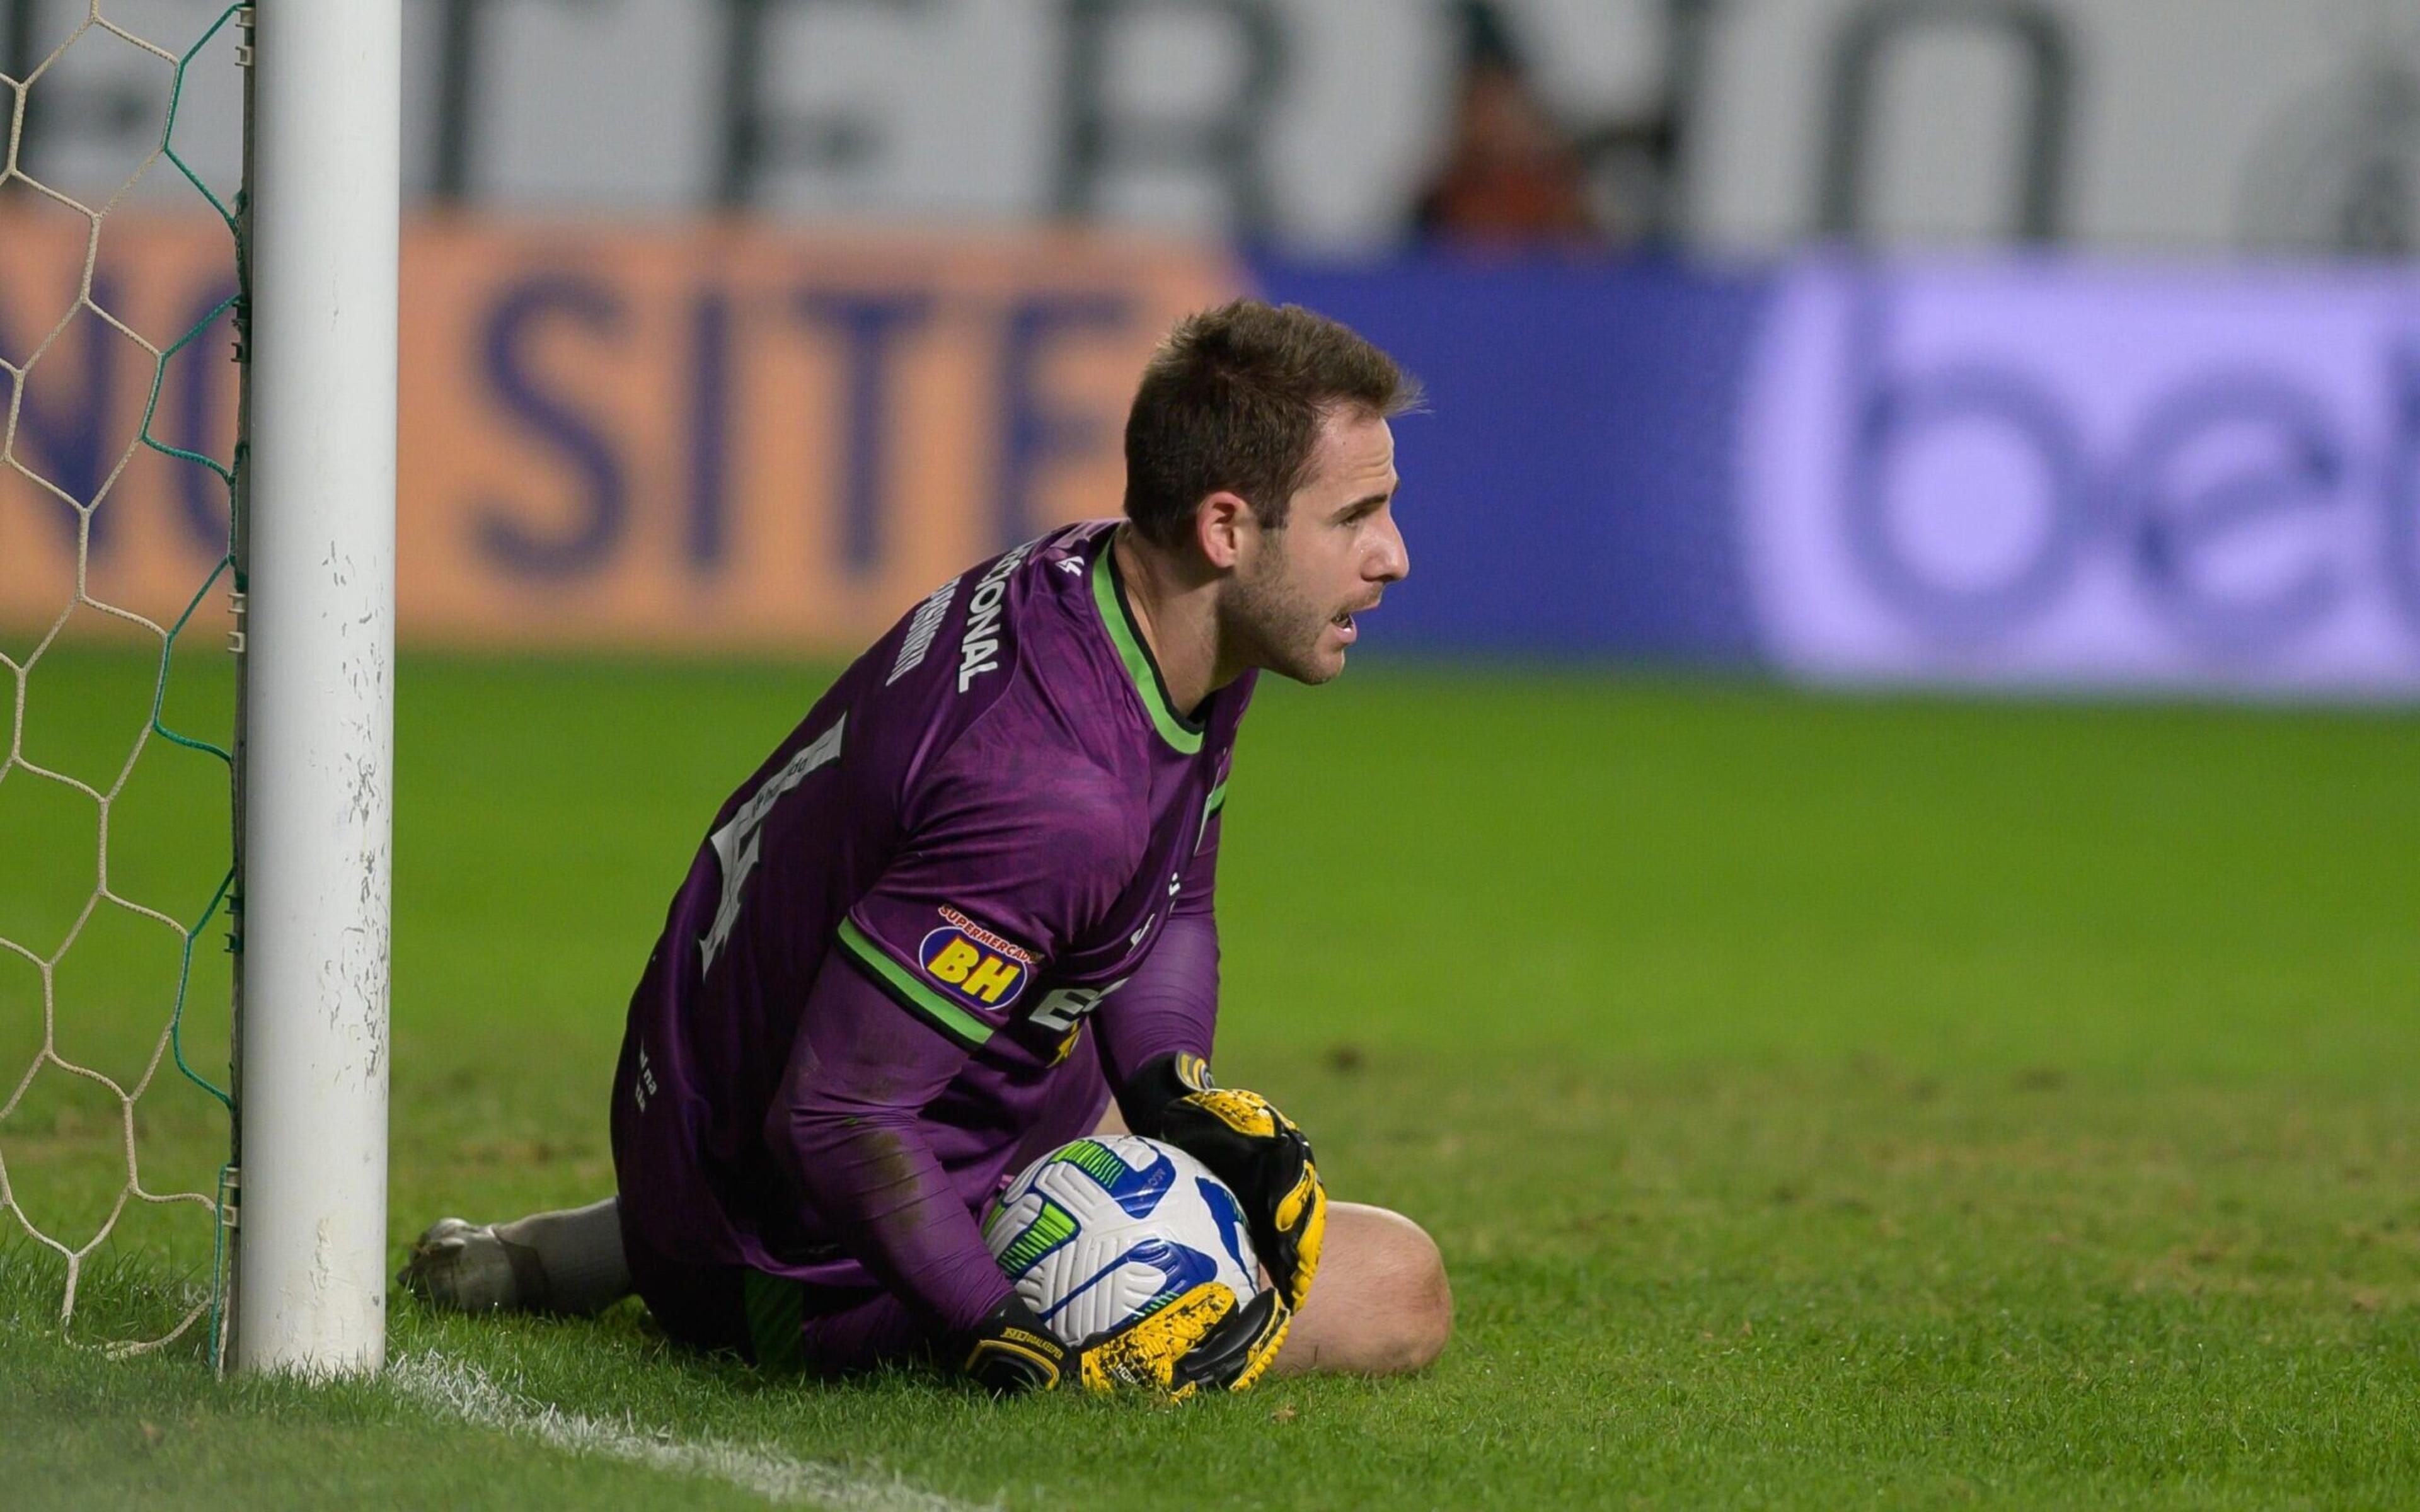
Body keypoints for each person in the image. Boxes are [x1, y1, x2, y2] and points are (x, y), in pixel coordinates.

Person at [400, 299, 1453, 1396]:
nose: (1395, 557)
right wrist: (991, 1326)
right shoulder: (1055, 791)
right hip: (792, 1242)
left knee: (1107, 1098)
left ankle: (599, 1246)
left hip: (731, 1118)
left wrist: (1173, 1088)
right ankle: (680, 1258)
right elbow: (836, 1114)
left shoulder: (1119, 593)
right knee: (1398, 1288)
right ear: (1226, 529)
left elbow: (1173, 893)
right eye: (1357, 516)